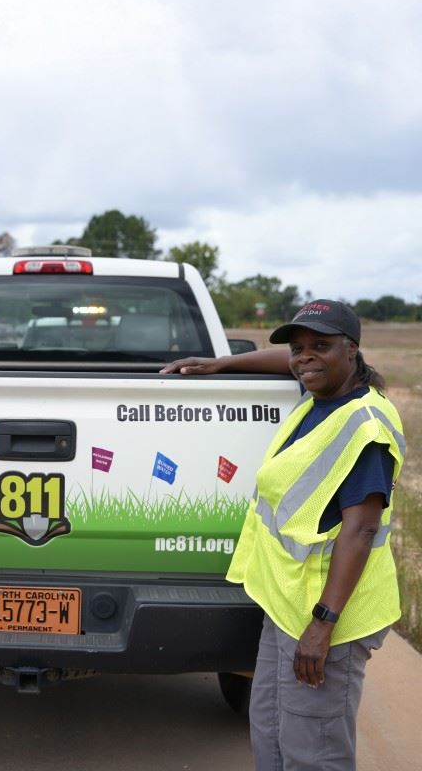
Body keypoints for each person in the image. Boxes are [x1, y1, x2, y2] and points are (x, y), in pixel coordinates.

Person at [161, 300, 405, 771]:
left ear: (351, 350)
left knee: (314, 748)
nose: (304, 358)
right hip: (289, 604)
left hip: (327, 615)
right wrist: (223, 363)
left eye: (321, 346)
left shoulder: (364, 427)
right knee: (272, 728)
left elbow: (361, 528)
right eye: (299, 349)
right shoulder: (323, 392)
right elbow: (291, 360)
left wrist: (322, 627)